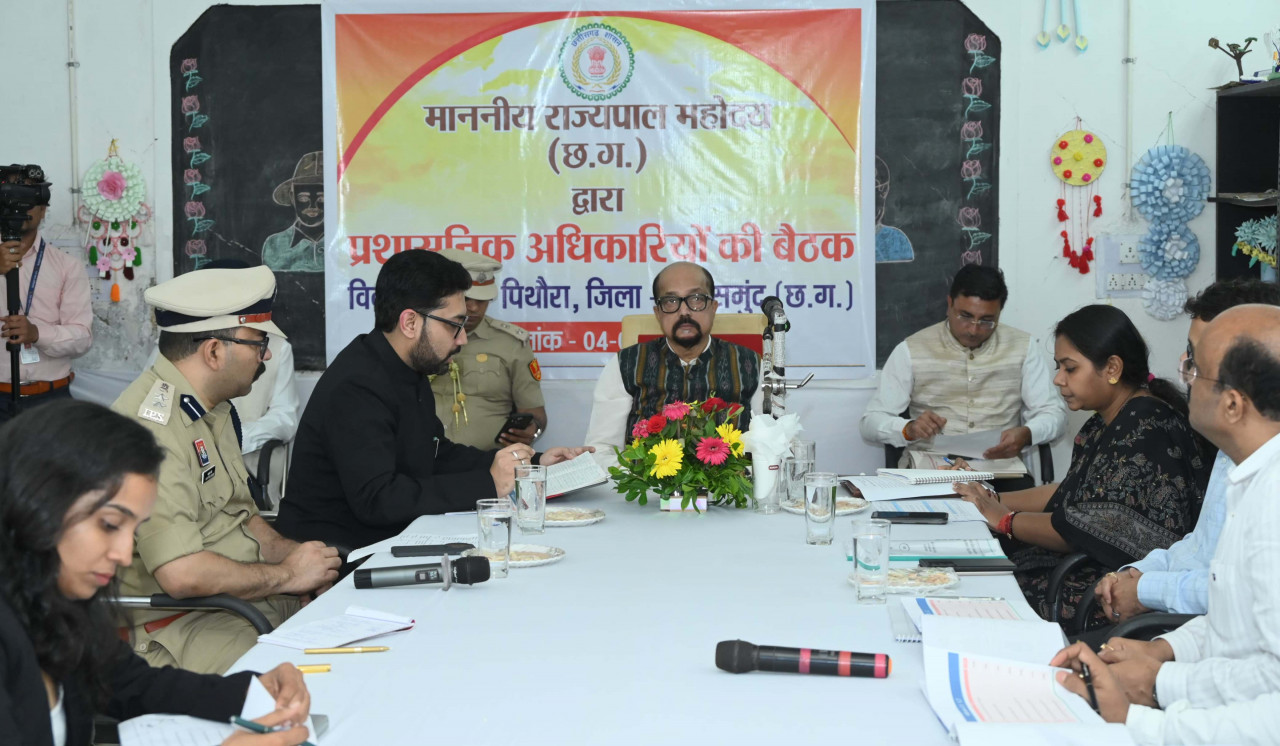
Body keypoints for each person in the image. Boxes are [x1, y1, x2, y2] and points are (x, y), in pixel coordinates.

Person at [0, 399, 310, 745]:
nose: (123, 555)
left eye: (133, 530)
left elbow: (133, 685)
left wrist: (250, 690)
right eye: (109, 524)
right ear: (37, 503)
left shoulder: (55, 601)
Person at [1052, 303, 1280, 745]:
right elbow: (1230, 618)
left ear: (1233, 404)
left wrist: (1149, 700)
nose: (1184, 378)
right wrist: (1160, 655)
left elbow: (1271, 695)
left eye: (1196, 367)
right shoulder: (1247, 475)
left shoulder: (1272, 502)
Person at [275, 250, 591, 551]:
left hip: (384, 538)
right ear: (410, 323)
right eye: (455, 325)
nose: (462, 339)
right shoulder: (357, 386)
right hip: (333, 555)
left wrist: (529, 465)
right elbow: (378, 499)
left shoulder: (407, 368)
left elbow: (436, 455)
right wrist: (488, 484)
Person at [112, 266, 339, 674]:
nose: (266, 355)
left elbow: (243, 517)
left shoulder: (213, 410)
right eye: (258, 342)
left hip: (240, 603)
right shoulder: (150, 431)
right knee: (309, 681)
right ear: (214, 352)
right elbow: (182, 574)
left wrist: (301, 560)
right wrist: (288, 575)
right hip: (182, 623)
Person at [953, 305, 1208, 629]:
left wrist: (1004, 519)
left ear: (1112, 368)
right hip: (1092, 567)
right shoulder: (1111, 419)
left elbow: (1080, 527)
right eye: (1058, 367)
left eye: (1070, 368)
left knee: (983, 591)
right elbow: (1071, 492)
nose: (1058, 379)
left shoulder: (1144, 425)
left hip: (1116, 590)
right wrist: (986, 497)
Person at [1093, 279, 1280, 632]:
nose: (1186, 370)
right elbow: (1201, 549)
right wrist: (1136, 574)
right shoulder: (1230, 450)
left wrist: (1146, 591)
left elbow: (1236, 598)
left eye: (1198, 358)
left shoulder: (1269, 481)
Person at [860, 265, 1066, 490]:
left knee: (1015, 509)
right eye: (965, 316)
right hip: (932, 471)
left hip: (1000, 472)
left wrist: (1028, 433)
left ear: (1000, 313)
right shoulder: (911, 349)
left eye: (987, 320)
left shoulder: (1024, 348)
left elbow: (1054, 414)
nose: (974, 330)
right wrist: (908, 429)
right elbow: (871, 422)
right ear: (949, 303)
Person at [583, 261, 761, 462]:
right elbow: (603, 449)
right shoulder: (625, 365)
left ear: (713, 307)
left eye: (696, 299)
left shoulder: (750, 364)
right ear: (658, 313)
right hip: (646, 481)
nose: (684, 312)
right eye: (671, 301)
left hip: (732, 481)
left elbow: (770, 443)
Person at [0, 163, 92, 423]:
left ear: (43, 208)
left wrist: (37, 334)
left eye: (27, 198)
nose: (18, 208)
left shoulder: (67, 267)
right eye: (9, 198)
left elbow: (83, 338)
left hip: (51, 401)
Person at [430, 248, 546, 450]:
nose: (474, 308)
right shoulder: (418, 338)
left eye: (482, 301)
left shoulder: (511, 343)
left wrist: (531, 430)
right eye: (466, 300)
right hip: (422, 460)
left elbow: (536, 414)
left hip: (490, 463)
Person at [261, 152, 323, 273]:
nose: (312, 206)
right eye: (303, 198)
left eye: (321, 199)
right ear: (292, 197)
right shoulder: (274, 245)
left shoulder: (345, 242)